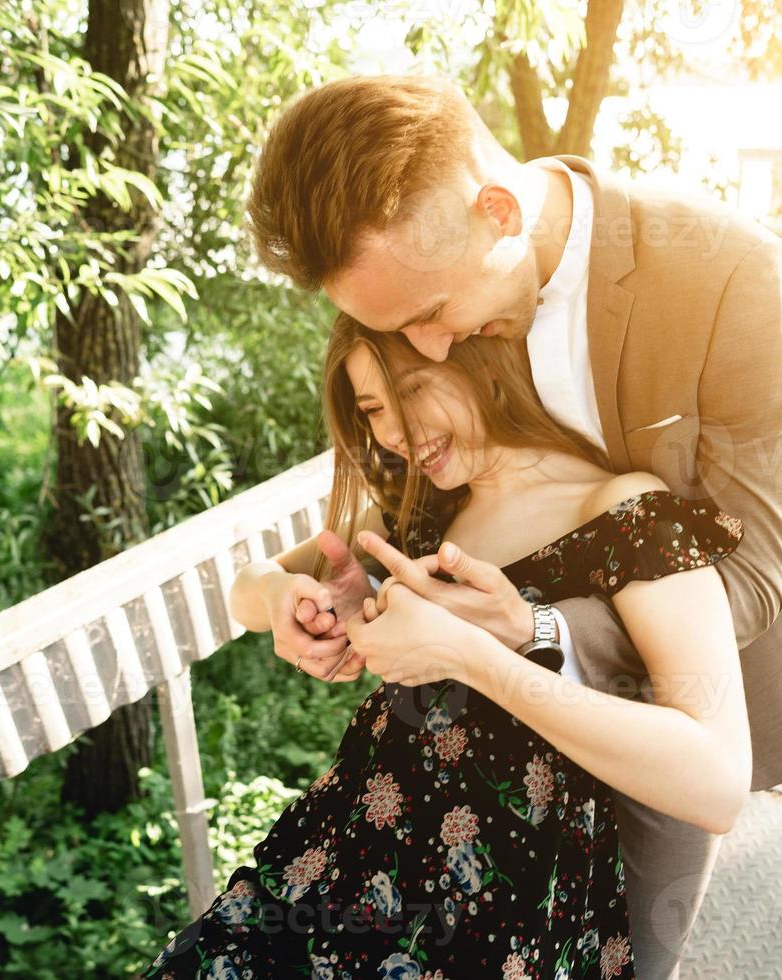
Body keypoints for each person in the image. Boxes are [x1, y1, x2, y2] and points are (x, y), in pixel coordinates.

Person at [246, 74, 782, 978]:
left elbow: (754, 570)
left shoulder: (732, 275)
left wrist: (529, 630)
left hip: (664, 713)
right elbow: (371, 528)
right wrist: (283, 598)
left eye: (425, 317)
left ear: (497, 210)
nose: (428, 351)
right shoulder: (445, 306)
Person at [141, 314, 750, 979]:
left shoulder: (626, 514)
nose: (395, 431)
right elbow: (249, 585)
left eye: (413, 389)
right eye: (373, 409)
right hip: (347, 859)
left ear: (480, 359)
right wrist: (287, 602)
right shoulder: (418, 510)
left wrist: (468, 655)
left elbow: (716, 784)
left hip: (502, 914)